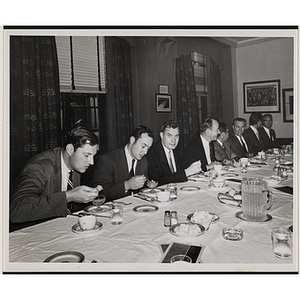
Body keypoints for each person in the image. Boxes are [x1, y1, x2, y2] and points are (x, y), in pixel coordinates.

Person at [10, 125, 101, 224]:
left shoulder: (75, 164)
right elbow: (16, 210)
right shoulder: (39, 167)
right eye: (87, 155)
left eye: (93, 156)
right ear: (70, 149)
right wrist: (68, 196)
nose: (91, 162)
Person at [93, 125, 154, 201]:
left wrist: (148, 185)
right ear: (132, 140)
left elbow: (142, 189)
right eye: (143, 146)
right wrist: (127, 185)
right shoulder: (108, 159)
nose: (145, 152)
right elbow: (100, 192)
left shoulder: (143, 162)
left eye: (148, 148)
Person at [146, 120, 202, 186]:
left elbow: (181, 169)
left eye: (176, 136)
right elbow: (157, 181)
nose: (173, 141)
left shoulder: (177, 150)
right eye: (169, 136)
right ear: (161, 135)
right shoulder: (152, 152)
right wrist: (186, 172)